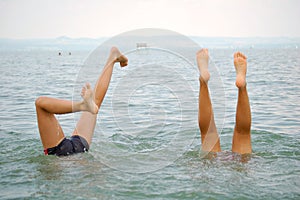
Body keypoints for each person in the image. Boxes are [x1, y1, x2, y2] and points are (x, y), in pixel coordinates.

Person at [35, 47, 128, 156]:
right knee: (94, 103)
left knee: (95, 103)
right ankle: (112, 58)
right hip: (73, 148)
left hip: (68, 152)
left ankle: (82, 105)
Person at [196, 49, 252, 154]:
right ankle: (242, 87)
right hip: (241, 161)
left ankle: (203, 82)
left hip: (212, 163)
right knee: (242, 134)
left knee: (208, 133)